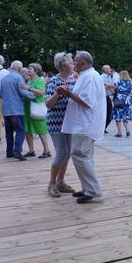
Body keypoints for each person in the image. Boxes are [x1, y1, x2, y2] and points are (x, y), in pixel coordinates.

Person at [58, 51, 105, 204]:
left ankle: (93, 190)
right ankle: (87, 188)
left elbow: (87, 102)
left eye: (76, 61)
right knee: (84, 156)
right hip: (84, 124)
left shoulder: (90, 77)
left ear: (83, 63)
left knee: (80, 155)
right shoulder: (87, 75)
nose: (73, 64)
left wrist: (68, 93)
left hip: (86, 124)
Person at [44, 52, 77, 198]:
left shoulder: (73, 80)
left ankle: (61, 182)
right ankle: (51, 184)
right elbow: (48, 104)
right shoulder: (54, 81)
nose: (73, 65)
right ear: (63, 66)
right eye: (71, 63)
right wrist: (58, 93)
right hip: (56, 122)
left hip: (69, 122)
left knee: (68, 152)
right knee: (61, 152)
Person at [0, 61, 36, 161]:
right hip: (17, 109)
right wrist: (35, 95)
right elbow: (23, 91)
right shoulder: (18, 77)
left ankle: (9, 152)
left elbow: (0, 94)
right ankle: (17, 151)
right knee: (21, 130)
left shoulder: (4, 78)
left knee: (9, 132)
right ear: (20, 68)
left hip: (6, 109)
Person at [22, 63, 51, 158]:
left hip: (37, 108)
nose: (28, 70)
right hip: (28, 108)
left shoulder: (40, 80)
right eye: (28, 68)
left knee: (40, 130)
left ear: (36, 71)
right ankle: (31, 151)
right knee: (28, 130)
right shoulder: (29, 80)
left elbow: (41, 93)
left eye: (30, 69)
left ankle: (47, 151)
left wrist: (29, 88)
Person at [112, 70, 132, 137]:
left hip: (119, 101)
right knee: (125, 117)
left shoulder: (118, 82)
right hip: (127, 101)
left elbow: (113, 89)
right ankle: (128, 131)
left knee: (118, 117)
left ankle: (119, 132)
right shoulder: (130, 82)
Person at [101, 65, 115, 134]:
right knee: (104, 113)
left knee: (110, 113)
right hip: (103, 97)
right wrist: (108, 86)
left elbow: (112, 86)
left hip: (107, 96)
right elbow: (103, 86)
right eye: (109, 68)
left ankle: (104, 127)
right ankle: (102, 128)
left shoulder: (109, 76)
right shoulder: (101, 77)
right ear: (105, 70)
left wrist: (107, 86)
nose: (110, 70)